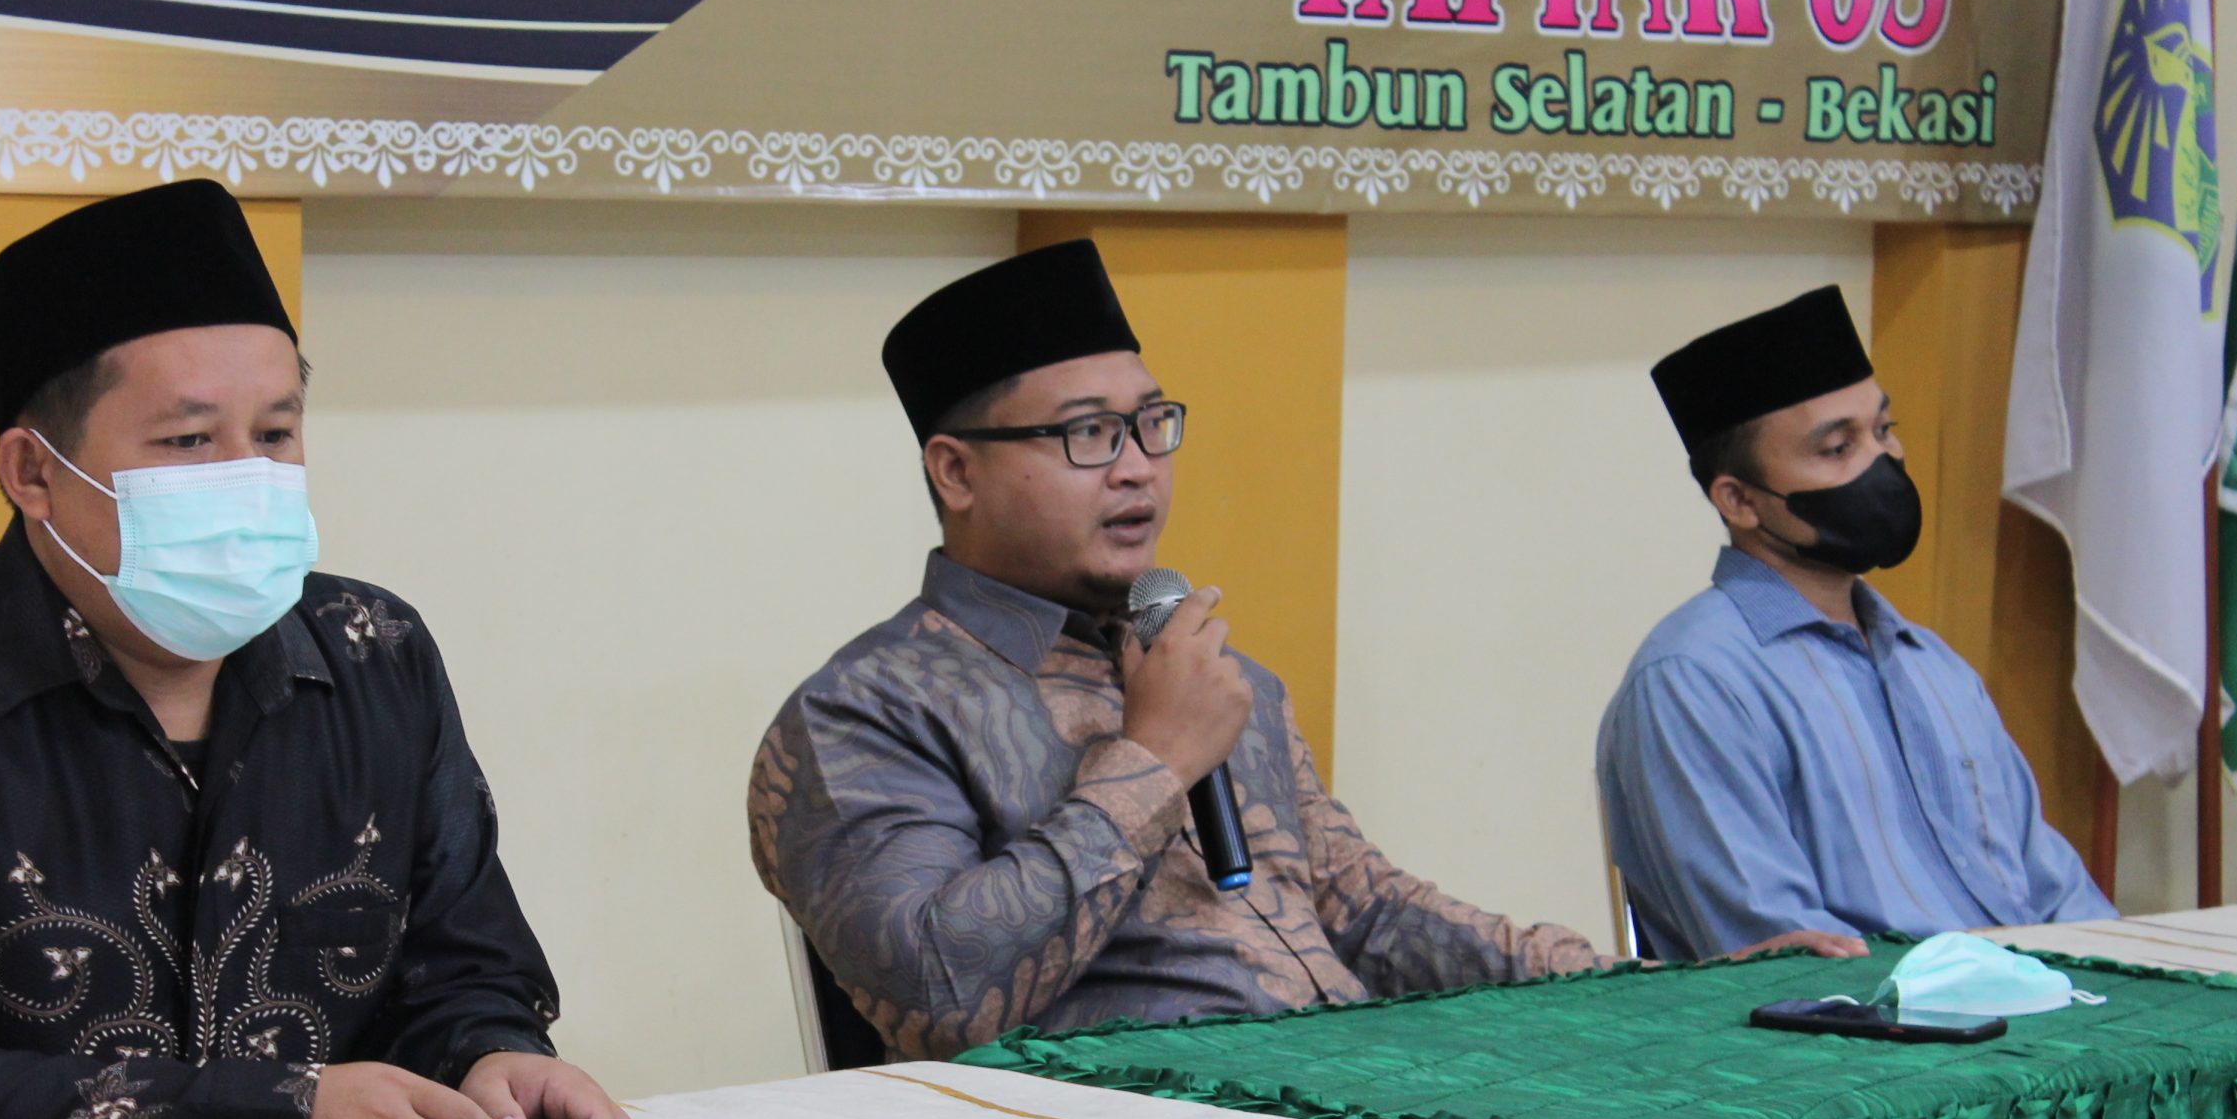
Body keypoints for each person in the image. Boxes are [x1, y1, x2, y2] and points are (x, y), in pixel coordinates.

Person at [0, 180, 631, 1119]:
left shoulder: (376, 655)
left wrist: (494, 1060)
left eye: (275, 434)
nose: (246, 478)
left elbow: (461, 970)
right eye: (189, 443)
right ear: (32, 473)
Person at [749, 241, 1860, 1061]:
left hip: (1350, 1108)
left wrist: (1648, 986)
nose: (1136, 467)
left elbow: (1367, 911)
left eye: (1150, 424)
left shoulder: (1206, 672)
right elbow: (935, 996)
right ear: (956, 471)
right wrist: (1152, 764)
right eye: (1085, 433)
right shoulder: (867, 711)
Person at [1597, 285, 2115, 960]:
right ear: (1741, 500)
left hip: (2041, 1006)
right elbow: (1783, 960)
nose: (1882, 462)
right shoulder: (1692, 683)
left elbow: (2063, 901)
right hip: (1884, 1021)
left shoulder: (1934, 666)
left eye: (1884, 430)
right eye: (1838, 447)